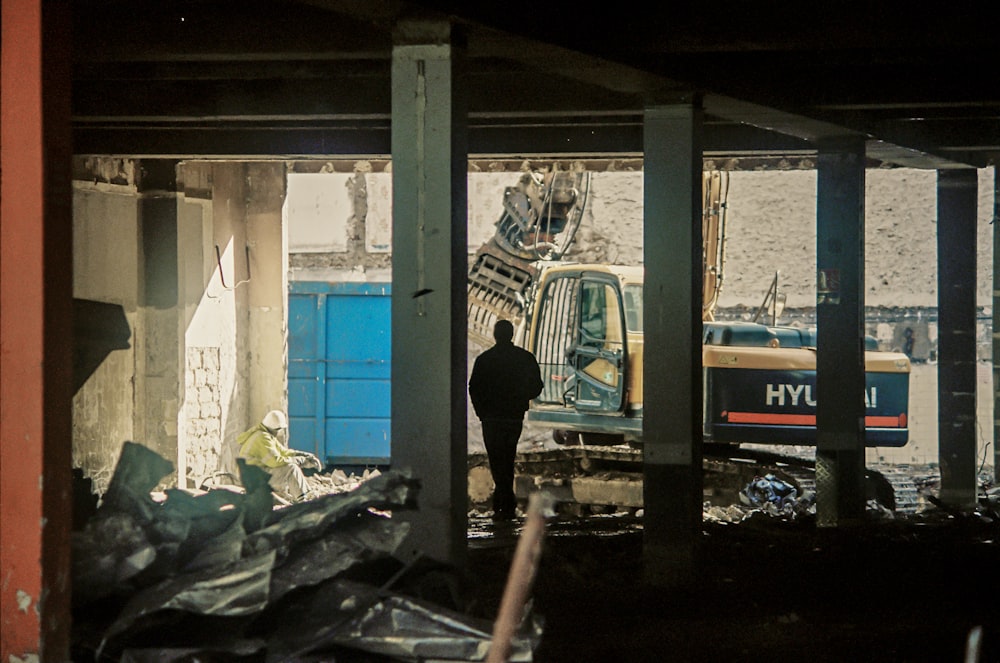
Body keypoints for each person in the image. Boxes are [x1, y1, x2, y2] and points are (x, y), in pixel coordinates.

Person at [469, 319, 544, 521]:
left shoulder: (485, 360)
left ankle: (503, 501)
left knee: (496, 458)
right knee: (508, 456)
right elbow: (537, 386)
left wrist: (481, 412)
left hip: (491, 418)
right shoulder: (525, 358)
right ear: (511, 335)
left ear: (495, 335)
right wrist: (520, 399)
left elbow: (474, 388)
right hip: (513, 417)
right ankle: (506, 501)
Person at [236, 409, 323, 503]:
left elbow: (283, 452)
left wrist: (304, 455)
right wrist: (300, 460)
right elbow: (275, 461)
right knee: (291, 468)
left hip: (255, 475)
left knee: (290, 465)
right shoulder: (262, 438)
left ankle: (304, 495)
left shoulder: (265, 435)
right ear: (275, 428)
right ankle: (303, 500)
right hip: (252, 480)